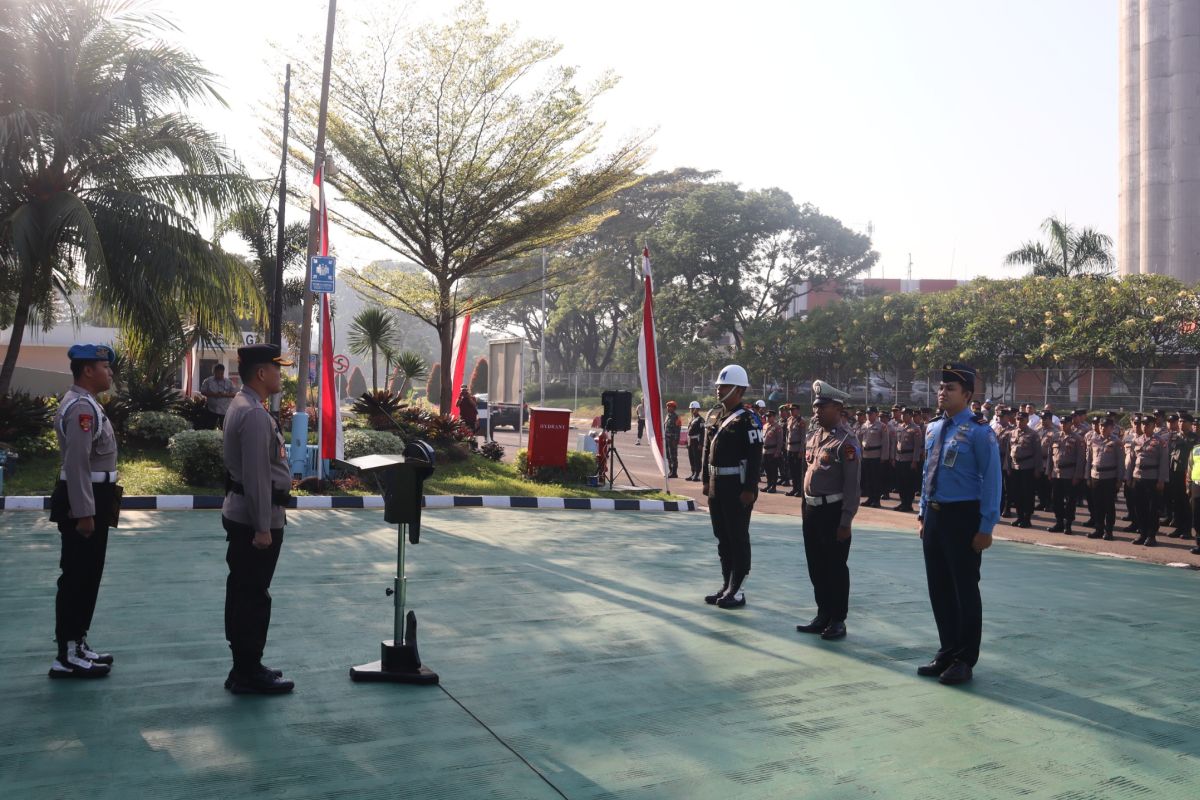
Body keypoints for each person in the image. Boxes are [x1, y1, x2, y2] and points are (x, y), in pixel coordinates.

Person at [917, 364, 1001, 686]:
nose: (942, 392)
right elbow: (928, 472)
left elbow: (993, 480)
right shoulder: (934, 427)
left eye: (950, 388)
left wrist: (986, 526)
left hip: (963, 518)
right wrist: (924, 514)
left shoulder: (980, 432)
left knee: (964, 589)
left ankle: (965, 659)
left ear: (967, 395)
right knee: (938, 588)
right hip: (936, 517)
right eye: (941, 387)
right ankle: (947, 650)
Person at [221, 344, 296, 694]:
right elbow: (256, 476)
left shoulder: (248, 406)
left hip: (248, 516)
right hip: (256, 521)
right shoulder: (252, 414)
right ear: (262, 374)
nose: (281, 376)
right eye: (277, 370)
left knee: (245, 592)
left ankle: (246, 666)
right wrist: (263, 527)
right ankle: (247, 672)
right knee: (252, 595)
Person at [48, 344, 120, 679]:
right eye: (105, 367)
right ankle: (65, 654)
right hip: (85, 498)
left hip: (94, 496)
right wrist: (84, 512)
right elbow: (76, 464)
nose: (109, 372)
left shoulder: (87, 403)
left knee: (89, 575)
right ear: (88, 370)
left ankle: (78, 642)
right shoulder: (81, 408)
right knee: (77, 576)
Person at [795, 381, 860, 641]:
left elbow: (852, 485)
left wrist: (846, 521)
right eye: (814, 406)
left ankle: (837, 619)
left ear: (837, 408)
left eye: (822, 407)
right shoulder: (815, 438)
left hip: (833, 513)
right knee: (816, 566)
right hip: (812, 511)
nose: (816, 411)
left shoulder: (847, 441)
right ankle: (822, 613)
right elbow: (807, 476)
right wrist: (804, 508)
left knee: (835, 567)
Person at [700, 364, 763, 609]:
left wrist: (750, 488)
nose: (718, 389)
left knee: (738, 537)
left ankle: (738, 590)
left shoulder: (748, 419)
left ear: (737, 389)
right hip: (717, 485)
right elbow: (707, 451)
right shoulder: (716, 415)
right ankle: (727, 584)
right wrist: (706, 480)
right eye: (718, 385)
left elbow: (755, 456)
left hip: (737, 487)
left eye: (724, 385)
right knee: (722, 538)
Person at [1126, 413, 1169, 547]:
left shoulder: (1160, 441)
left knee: (1152, 509)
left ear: (1153, 426)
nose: (1144, 427)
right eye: (1142, 424)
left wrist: (1161, 480)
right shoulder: (1136, 440)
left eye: (1147, 424)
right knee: (1140, 507)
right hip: (1138, 477)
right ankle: (1142, 533)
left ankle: (1151, 535)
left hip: (1152, 478)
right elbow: (1131, 460)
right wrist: (1129, 478)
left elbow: (1163, 463)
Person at [1045, 411, 1086, 534]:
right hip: (1057, 472)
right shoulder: (1055, 437)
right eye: (1061, 423)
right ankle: (1059, 522)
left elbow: (1080, 459)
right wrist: (1049, 471)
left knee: (1070, 501)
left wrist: (1077, 475)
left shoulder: (1077, 439)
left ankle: (1068, 524)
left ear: (1070, 424)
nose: (1063, 425)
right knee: (1056, 499)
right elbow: (1050, 456)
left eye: (1065, 423)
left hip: (1070, 473)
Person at [1085, 416, 1124, 540]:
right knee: (1097, 505)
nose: (1102, 428)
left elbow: (1121, 462)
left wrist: (1119, 479)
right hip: (1095, 476)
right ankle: (1098, 529)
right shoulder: (1093, 440)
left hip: (1109, 477)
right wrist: (1087, 477)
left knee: (1108, 505)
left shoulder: (1116, 442)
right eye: (1101, 426)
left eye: (1105, 426)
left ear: (1111, 428)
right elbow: (1089, 460)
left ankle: (1109, 531)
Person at [1006, 411, 1042, 529]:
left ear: (1027, 421)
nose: (1019, 421)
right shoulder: (1012, 433)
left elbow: (1038, 453)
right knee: (1016, 494)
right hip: (1015, 467)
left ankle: (1027, 519)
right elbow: (1008, 451)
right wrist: (1008, 466)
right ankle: (1020, 516)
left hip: (1028, 467)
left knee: (1027, 494)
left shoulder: (1033, 434)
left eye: (1021, 420)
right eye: (1017, 419)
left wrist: (1038, 469)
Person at [1167, 412, 1197, 538]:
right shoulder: (1173, 437)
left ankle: (1187, 530)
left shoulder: (1195, 438)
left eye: (1184, 422)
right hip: (1174, 472)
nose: (1181, 424)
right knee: (1176, 501)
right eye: (1179, 421)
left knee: (1187, 503)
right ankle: (1178, 527)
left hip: (1187, 474)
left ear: (1190, 424)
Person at [892, 407, 923, 512]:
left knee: (908, 483)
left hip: (909, 459)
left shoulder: (915, 428)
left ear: (910, 415)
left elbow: (917, 447)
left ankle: (908, 504)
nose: (902, 416)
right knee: (900, 482)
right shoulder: (899, 427)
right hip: (899, 458)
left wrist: (915, 461)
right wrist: (894, 458)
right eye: (902, 414)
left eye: (905, 414)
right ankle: (902, 502)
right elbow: (896, 443)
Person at [858, 407, 890, 508]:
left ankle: (876, 500)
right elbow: (859, 441)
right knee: (868, 479)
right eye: (867, 413)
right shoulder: (864, 425)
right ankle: (870, 498)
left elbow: (885, 442)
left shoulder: (882, 426)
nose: (868, 415)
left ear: (876, 414)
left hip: (876, 455)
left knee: (876, 479)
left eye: (870, 413)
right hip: (865, 455)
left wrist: (884, 457)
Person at [199, 363, 237, 430]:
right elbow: (202, 391)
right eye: (217, 373)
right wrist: (214, 394)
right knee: (209, 428)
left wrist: (224, 395)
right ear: (214, 372)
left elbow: (234, 394)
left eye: (221, 373)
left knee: (225, 429)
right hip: (211, 410)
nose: (219, 375)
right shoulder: (208, 381)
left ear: (223, 372)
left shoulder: (229, 382)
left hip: (224, 410)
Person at [785, 403, 807, 497]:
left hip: (798, 448)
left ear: (798, 410)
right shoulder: (789, 420)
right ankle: (794, 488)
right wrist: (786, 447)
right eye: (790, 410)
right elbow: (787, 434)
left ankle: (799, 490)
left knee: (798, 471)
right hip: (790, 448)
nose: (791, 411)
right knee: (792, 470)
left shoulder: (801, 421)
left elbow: (803, 437)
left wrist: (801, 450)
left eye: (793, 410)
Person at [761, 410, 784, 493]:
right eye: (767, 416)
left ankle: (773, 486)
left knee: (773, 470)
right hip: (765, 451)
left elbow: (780, 441)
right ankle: (768, 485)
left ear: (774, 417)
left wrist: (777, 452)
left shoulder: (777, 427)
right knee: (767, 470)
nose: (767, 418)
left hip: (772, 451)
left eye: (769, 416)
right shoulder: (765, 426)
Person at [685, 401, 705, 481]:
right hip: (691, 441)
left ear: (697, 409)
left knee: (697, 458)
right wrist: (687, 442)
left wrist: (701, 444)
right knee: (691, 458)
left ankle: (697, 474)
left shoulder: (700, 420)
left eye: (693, 409)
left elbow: (702, 432)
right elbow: (688, 432)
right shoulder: (692, 419)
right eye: (691, 409)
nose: (691, 410)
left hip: (697, 441)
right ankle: (693, 473)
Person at [663, 400, 681, 478]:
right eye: (667, 406)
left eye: (670, 407)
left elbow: (678, 429)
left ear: (674, 408)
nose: (668, 408)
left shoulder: (676, 417)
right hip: (667, 439)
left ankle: (674, 472)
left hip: (673, 439)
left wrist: (676, 440)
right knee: (668, 456)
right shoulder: (667, 416)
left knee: (673, 456)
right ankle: (670, 471)